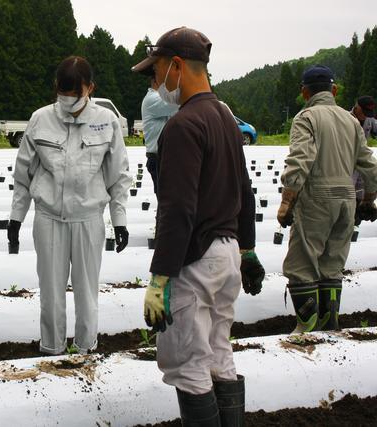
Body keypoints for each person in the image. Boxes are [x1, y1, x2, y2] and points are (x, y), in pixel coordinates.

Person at [132, 27, 264, 426]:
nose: (155, 84)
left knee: (189, 365)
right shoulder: (225, 116)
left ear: (176, 66)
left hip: (197, 260)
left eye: (155, 73)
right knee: (219, 354)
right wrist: (247, 249)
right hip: (226, 257)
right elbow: (244, 190)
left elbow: (178, 211)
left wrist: (160, 279)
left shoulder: (183, 126)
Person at [7, 56, 132, 355]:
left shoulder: (106, 121)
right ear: (55, 88)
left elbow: (119, 176)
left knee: (87, 293)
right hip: (49, 218)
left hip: (89, 218)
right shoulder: (40, 119)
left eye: (75, 93)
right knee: (50, 293)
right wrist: (16, 218)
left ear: (90, 88)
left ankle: (86, 350)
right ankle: (51, 349)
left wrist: (120, 220)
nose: (68, 100)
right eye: (63, 93)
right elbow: (23, 174)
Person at [278, 66, 377, 335]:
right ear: (334, 90)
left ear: (304, 92)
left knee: (301, 265)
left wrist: (287, 201)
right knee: (332, 265)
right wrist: (368, 199)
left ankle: (305, 328)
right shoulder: (351, 122)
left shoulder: (306, 118)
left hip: (316, 199)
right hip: (347, 199)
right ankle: (330, 325)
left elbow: (300, 160)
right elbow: (369, 164)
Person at [139, 75, 179, 193]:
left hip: (163, 157)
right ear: (155, 82)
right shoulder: (152, 99)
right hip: (158, 159)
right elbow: (175, 104)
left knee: (169, 200)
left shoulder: (158, 99)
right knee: (167, 201)